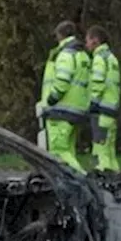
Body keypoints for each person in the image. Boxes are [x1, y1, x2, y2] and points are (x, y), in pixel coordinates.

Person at [36, 20, 91, 173]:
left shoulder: (65, 54)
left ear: (59, 35)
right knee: (69, 150)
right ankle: (74, 188)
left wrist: (52, 98)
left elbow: (63, 79)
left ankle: (84, 182)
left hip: (61, 109)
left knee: (58, 150)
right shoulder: (83, 55)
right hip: (77, 108)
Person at [86, 25, 121, 171]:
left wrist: (93, 102)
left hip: (101, 109)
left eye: (88, 40)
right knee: (110, 149)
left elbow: (98, 82)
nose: (86, 44)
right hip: (112, 108)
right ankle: (116, 175)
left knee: (101, 148)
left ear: (95, 40)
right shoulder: (112, 58)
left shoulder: (99, 58)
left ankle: (104, 176)